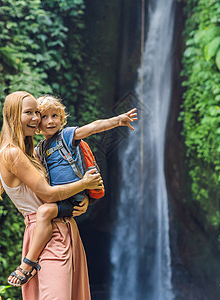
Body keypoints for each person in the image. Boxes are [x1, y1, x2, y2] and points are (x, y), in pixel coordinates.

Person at [0, 91, 103, 300]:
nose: (36, 118)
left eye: (36, 112)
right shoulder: (12, 154)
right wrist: (84, 183)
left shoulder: (35, 153)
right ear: (13, 116)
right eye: (28, 113)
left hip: (63, 227)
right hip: (48, 235)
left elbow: (62, 183)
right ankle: (27, 265)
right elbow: (48, 195)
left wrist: (83, 198)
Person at [13, 94, 137, 289]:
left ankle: (28, 263)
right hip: (61, 196)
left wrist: (117, 121)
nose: (50, 121)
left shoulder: (67, 136)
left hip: (74, 196)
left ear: (62, 119)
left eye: (55, 116)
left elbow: (92, 127)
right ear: (37, 124)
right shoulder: (39, 149)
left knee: (45, 212)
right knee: (45, 210)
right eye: (44, 117)